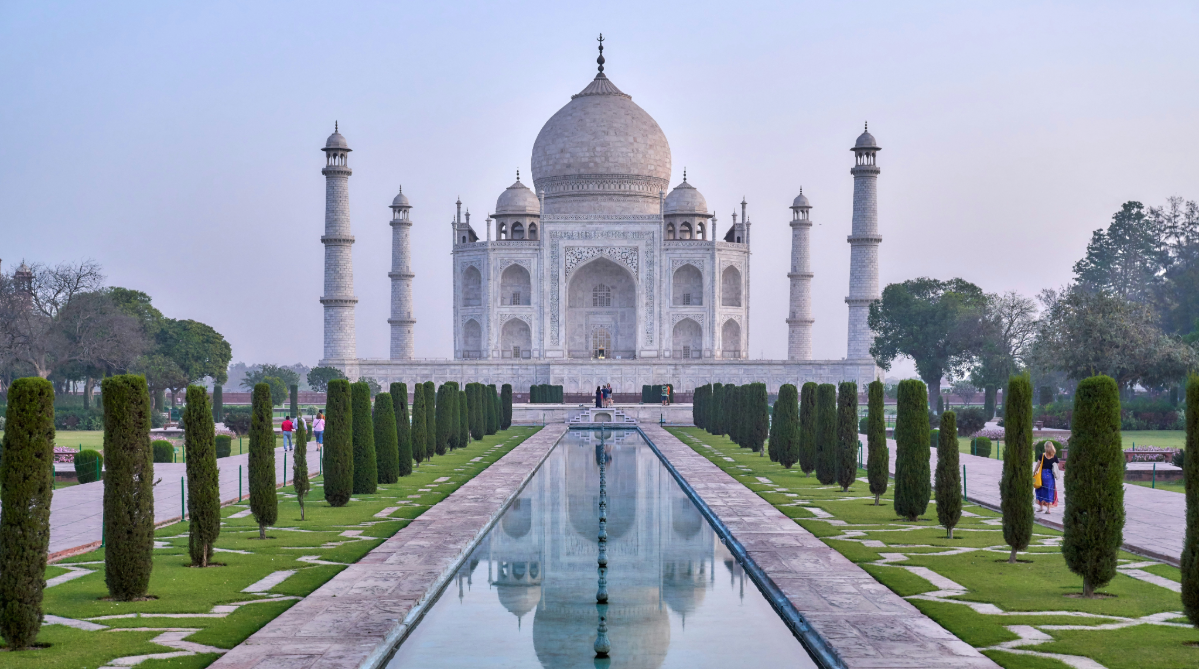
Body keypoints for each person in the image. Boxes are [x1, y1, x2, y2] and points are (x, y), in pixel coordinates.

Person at [1035, 442, 1060, 513]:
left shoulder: (1042, 455)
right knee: (1049, 491)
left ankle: (1041, 507)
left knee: (1040, 490)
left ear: (1046, 447)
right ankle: (1048, 509)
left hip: (1042, 475)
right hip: (1050, 476)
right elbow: (1057, 466)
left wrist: (1034, 472)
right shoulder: (1054, 457)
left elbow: (1038, 465)